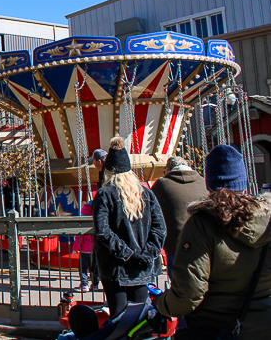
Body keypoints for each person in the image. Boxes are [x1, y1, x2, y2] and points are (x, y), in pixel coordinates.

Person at [153, 145, 271, 340]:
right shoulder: (266, 221)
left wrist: (161, 303)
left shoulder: (202, 225)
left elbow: (189, 294)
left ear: (209, 184)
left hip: (214, 327)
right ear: (244, 182)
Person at [92, 136, 166, 319]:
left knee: (118, 317)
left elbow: (103, 231)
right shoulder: (146, 194)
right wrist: (146, 255)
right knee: (139, 317)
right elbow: (160, 228)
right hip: (142, 266)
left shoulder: (104, 194)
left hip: (114, 267)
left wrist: (127, 255)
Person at [150, 156, 208, 279]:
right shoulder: (203, 182)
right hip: (203, 242)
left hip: (176, 243)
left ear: (169, 169)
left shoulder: (162, 184)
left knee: (178, 286)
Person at [73, 202, 99, 292]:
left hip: (85, 250)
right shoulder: (98, 225)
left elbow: (79, 238)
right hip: (95, 250)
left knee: (83, 267)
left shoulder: (83, 226)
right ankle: (95, 284)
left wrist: (75, 249)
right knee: (94, 268)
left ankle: (84, 284)